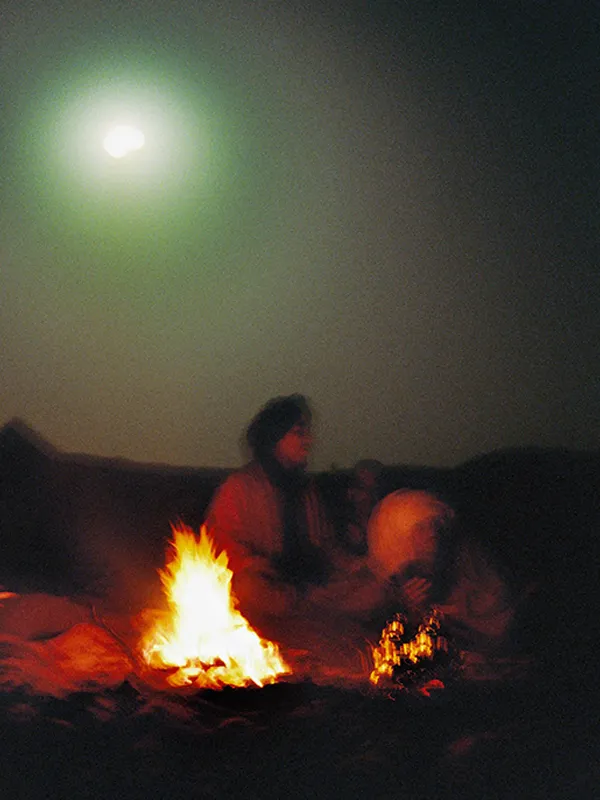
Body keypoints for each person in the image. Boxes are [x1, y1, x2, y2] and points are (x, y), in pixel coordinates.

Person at [205, 395, 334, 620]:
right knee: (250, 589)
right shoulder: (239, 487)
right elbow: (217, 542)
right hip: (268, 585)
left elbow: (326, 547)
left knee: (371, 588)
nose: (308, 441)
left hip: (312, 589)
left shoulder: (307, 490)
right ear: (276, 439)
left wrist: (359, 567)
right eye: (299, 433)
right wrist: (249, 562)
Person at [366, 489, 517, 653]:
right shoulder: (400, 575)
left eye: (434, 524)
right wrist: (412, 609)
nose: (432, 534)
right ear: (401, 539)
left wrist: (455, 611)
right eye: (420, 528)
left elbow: (498, 612)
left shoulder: (467, 556)